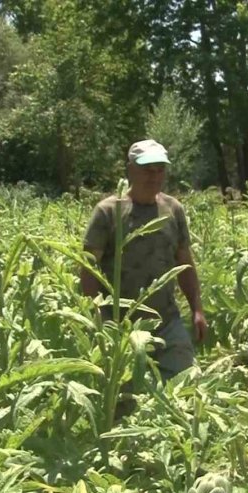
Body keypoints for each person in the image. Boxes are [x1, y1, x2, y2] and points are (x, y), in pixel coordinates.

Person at [79, 139, 207, 380]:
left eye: (160, 170)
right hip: (119, 324)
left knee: (187, 385)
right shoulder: (109, 211)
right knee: (125, 398)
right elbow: (87, 268)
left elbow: (185, 262)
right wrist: (98, 318)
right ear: (130, 170)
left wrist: (197, 309)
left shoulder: (173, 209)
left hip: (167, 320)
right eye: (147, 170)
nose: (155, 177)